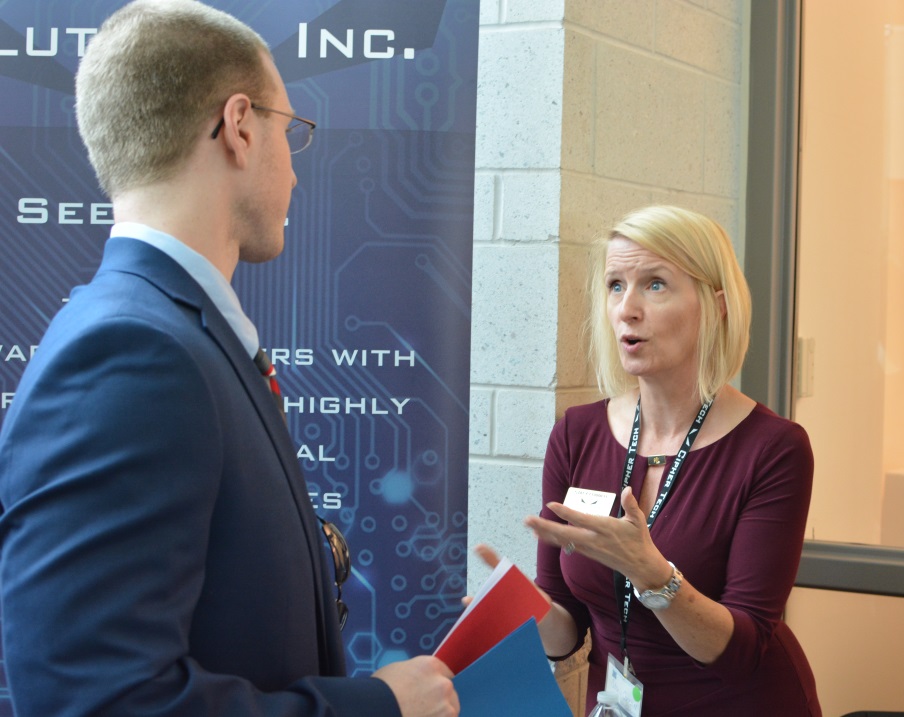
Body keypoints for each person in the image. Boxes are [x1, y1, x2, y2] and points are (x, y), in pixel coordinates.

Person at [0, 2, 458, 716]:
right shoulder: (133, 352)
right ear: (240, 126)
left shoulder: (177, 333)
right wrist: (375, 708)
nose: (296, 172)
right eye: (289, 131)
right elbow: (96, 700)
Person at [520, 205, 820, 715]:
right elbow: (564, 631)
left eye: (654, 284)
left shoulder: (774, 449)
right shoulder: (577, 433)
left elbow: (740, 651)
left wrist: (653, 574)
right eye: (615, 285)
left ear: (716, 305)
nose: (626, 309)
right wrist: (515, 613)